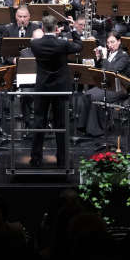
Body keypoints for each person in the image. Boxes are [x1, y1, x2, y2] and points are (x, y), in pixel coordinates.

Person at [30, 16, 81, 166]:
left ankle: (36, 158)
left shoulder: (35, 44)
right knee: (60, 123)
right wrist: (71, 29)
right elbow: (79, 45)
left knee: (39, 122)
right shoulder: (62, 44)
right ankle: (62, 158)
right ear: (56, 28)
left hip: (42, 88)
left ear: (43, 28)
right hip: (60, 89)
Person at [76, 32, 130, 137]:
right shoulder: (109, 55)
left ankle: (97, 130)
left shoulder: (124, 56)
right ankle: (83, 126)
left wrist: (104, 58)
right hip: (107, 85)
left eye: (112, 42)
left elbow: (112, 71)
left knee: (95, 97)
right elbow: (99, 71)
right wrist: (98, 59)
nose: (110, 45)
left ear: (119, 42)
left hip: (119, 88)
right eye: (108, 43)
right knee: (87, 95)